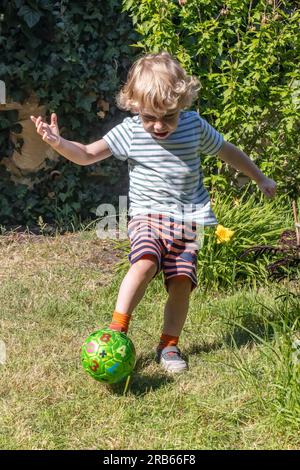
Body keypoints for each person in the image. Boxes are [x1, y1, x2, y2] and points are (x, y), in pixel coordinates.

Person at [31, 52, 276, 373]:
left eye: (168, 116)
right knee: (145, 263)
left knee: (181, 284)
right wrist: (59, 142)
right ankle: (117, 330)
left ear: (182, 103)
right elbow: (88, 153)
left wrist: (259, 177)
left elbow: (228, 150)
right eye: (150, 117)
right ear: (134, 106)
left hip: (187, 223)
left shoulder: (193, 126)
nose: (159, 125)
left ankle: (169, 345)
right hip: (147, 219)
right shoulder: (130, 131)